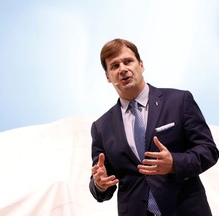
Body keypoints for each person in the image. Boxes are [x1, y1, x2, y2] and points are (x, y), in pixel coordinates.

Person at [89, 38, 219, 216]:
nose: (123, 69)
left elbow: (208, 151)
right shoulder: (101, 127)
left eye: (128, 61)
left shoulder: (179, 101)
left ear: (141, 65)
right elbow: (102, 185)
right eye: (114, 66)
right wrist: (99, 183)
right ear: (108, 77)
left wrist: (174, 163)